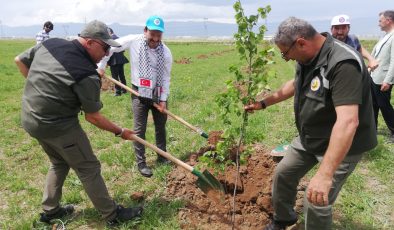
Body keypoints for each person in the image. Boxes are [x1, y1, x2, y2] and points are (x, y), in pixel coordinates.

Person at [244, 17, 377, 230]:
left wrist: (324, 175)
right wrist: (263, 103)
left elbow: (348, 122)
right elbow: (296, 84)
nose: (286, 59)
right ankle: (284, 219)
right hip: (311, 137)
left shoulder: (343, 64)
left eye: (285, 53)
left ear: (301, 43)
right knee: (283, 175)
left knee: (316, 199)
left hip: (342, 144)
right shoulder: (307, 57)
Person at [15, 20, 143, 226]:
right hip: (58, 126)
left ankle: (50, 210)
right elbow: (93, 117)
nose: (107, 53)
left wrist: (39, 88)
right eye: (105, 47)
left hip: (30, 118)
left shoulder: (52, 44)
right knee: (88, 167)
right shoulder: (85, 74)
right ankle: (112, 215)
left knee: (59, 162)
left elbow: (19, 60)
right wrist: (120, 131)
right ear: (90, 42)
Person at [98, 15, 173, 178]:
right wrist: (101, 65)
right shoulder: (134, 41)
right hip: (138, 91)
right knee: (140, 129)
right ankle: (141, 163)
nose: (155, 38)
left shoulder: (166, 52)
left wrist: (163, 99)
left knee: (161, 127)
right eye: (152, 33)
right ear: (145, 30)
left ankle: (162, 156)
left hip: (157, 92)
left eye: (158, 35)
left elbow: (166, 77)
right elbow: (110, 47)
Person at [370, 10, 394, 143]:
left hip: (383, 79)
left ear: (388, 20)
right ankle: (371, 130)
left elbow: (393, 61)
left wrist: (388, 80)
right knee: (373, 104)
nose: (379, 23)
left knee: (384, 105)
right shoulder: (385, 36)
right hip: (374, 76)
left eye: (380, 20)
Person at [107, 28, 129, 96]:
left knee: (115, 77)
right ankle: (124, 90)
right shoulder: (119, 38)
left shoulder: (110, 40)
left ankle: (118, 92)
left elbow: (108, 51)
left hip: (114, 60)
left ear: (109, 32)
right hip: (121, 59)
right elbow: (123, 49)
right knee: (122, 75)